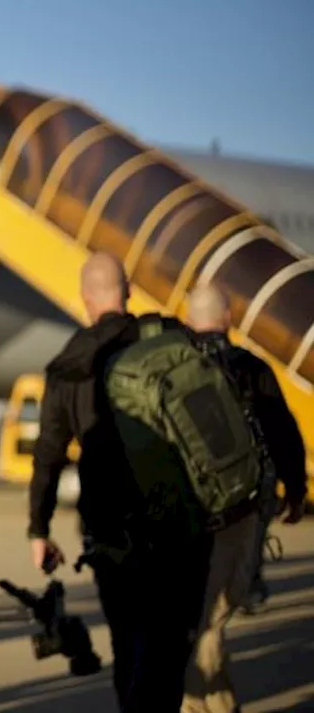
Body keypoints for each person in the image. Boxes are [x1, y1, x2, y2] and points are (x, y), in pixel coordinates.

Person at [27, 252, 212, 712]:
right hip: (180, 523)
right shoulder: (169, 337)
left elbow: (48, 454)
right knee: (171, 646)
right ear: (127, 291)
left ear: (86, 298)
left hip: (110, 528)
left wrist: (39, 529)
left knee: (128, 640)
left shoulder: (68, 362)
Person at [180, 282, 307, 713]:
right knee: (211, 619)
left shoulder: (174, 370)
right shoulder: (252, 368)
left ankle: (206, 703)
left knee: (202, 619)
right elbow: (285, 434)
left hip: (188, 515)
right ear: (229, 319)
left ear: (187, 319)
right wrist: (296, 490)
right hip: (243, 513)